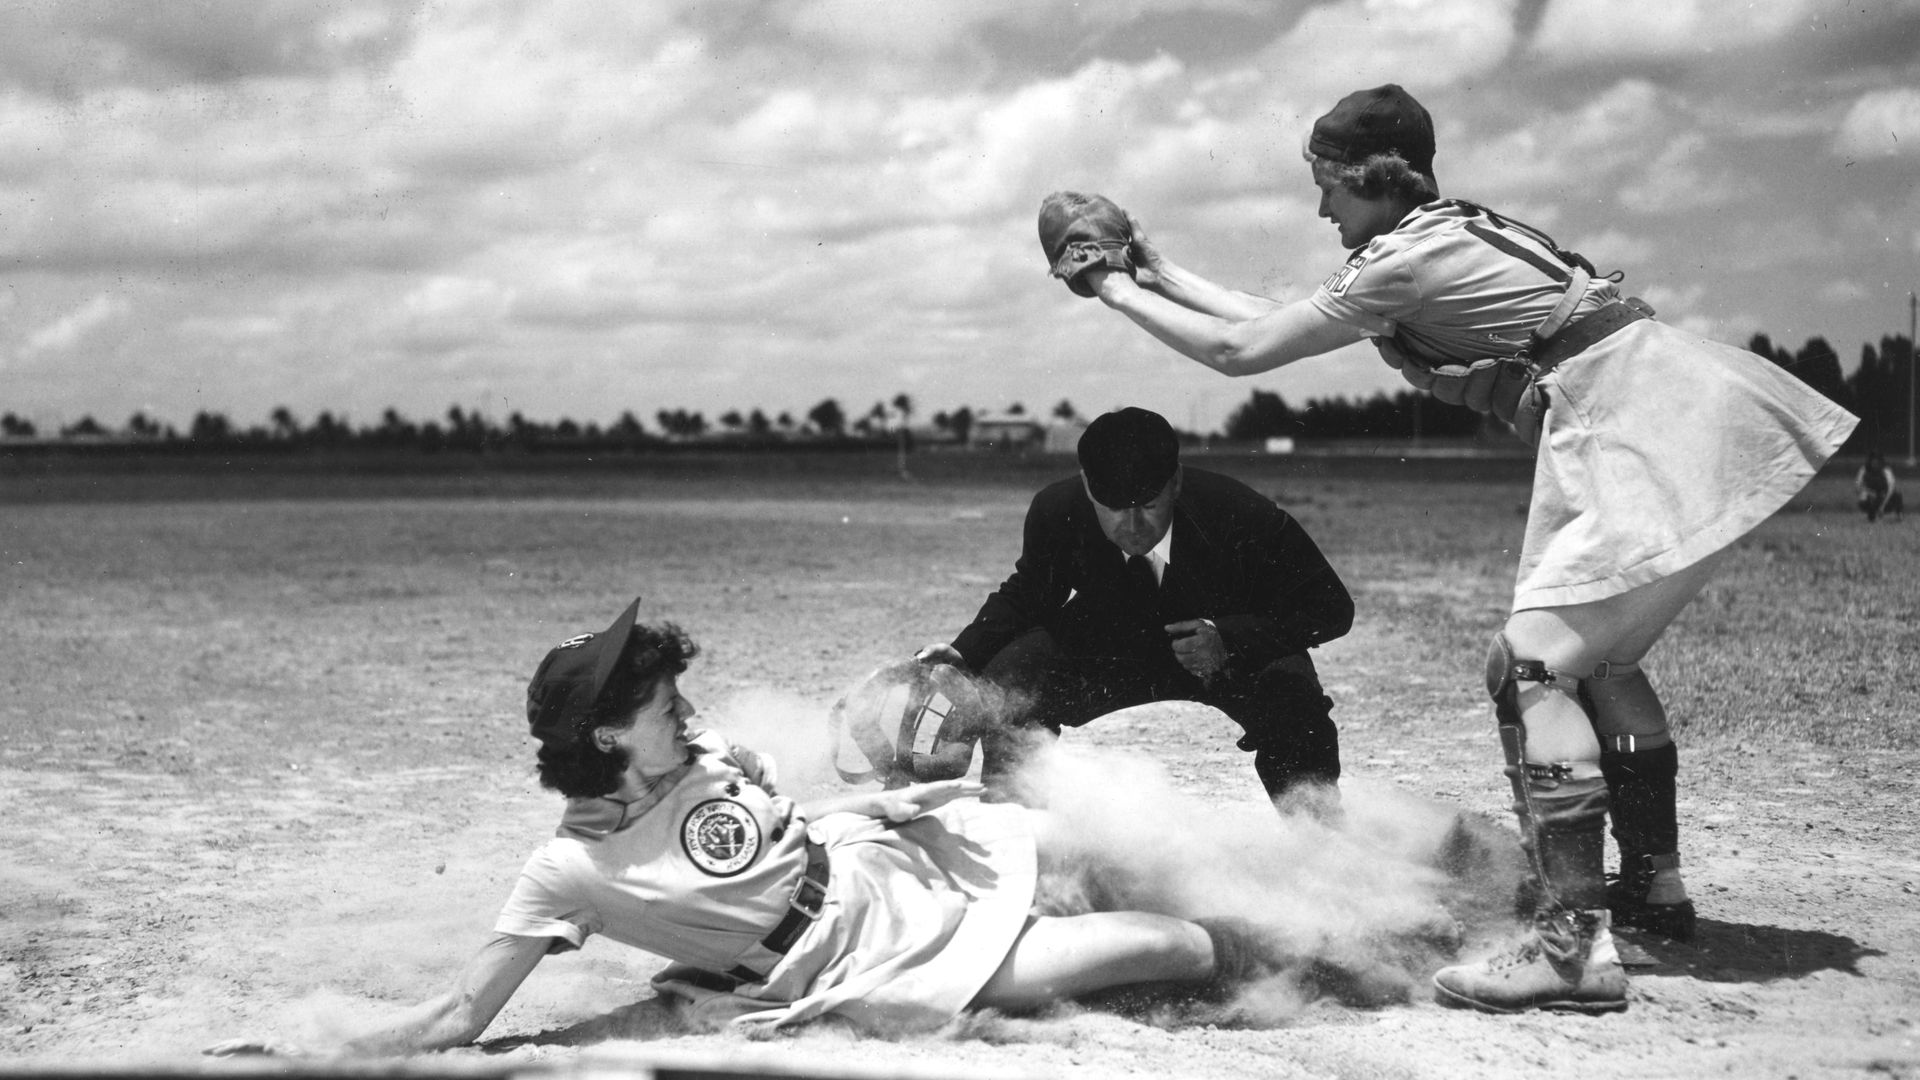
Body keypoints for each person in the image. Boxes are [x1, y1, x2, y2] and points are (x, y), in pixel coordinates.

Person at [1054, 85, 1859, 1013]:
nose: (1322, 210)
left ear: (1376, 178)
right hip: (1681, 400)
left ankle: (1568, 947)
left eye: (1330, 190)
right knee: (1599, 659)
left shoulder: (1404, 258)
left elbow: (1242, 350)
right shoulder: (1442, 235)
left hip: (1628, 418)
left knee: (1530, 667)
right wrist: (1157, 267)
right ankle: (1654, 885)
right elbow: (1269, 316)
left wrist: (1110, 287)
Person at [208, 597, 1329, 1055]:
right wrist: (322, 1051)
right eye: (655, 699)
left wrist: (885, 799)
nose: (682, 705)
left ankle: (1329, 940)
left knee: (1107, 846)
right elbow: (461, 1012)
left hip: (893, 857)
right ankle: (1260, 962)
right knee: (1164, 947)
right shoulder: (566, 874)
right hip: (863, 958)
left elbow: (794, 824)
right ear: (605, 736)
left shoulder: (697, 757)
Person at [915, 406, 1353, 811]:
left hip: (1223, 649)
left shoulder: (1240, 514)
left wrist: (1230, 638)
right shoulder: (1057, 510)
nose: (1132, 527)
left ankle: (1317, 838)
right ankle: (1015, 829)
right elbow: (1029, 591)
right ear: (1087, 484)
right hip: (1112, 643)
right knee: (1014, 675)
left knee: (1291, 693)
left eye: (1148, 506)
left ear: (1175, 482)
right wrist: (963, 653)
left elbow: (1331, 607)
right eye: (1113, 509)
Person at [1856, 452, 1900, 522]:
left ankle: (1898, 516)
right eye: (1873, 462)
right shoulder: (1864, 469)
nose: (1875, 465)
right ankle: (1871, 516)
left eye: (1877, 463)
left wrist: (1883, 506)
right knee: (1865, 497)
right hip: (1871, 495)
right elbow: (1858, 486)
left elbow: (1891, 489)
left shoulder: (1886, 470)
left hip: (1884, 496)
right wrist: (1869, 492)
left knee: (1897, 495)